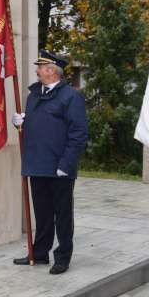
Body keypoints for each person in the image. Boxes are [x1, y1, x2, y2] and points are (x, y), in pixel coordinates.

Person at [11, 50, 88, 274]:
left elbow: (79, 133)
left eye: (41, 68)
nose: (37, 71)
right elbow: (38, 127)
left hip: (60, 167)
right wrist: (20, 124)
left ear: (52, 71)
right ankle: (40, 253)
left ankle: (63, 257)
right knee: (42, 213)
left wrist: (66, 164)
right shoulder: (34, 96)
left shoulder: (71, 97)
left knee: (62, 215)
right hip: (37, 164)